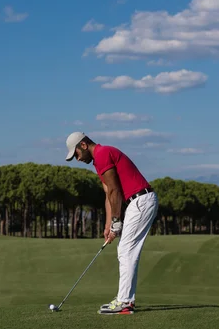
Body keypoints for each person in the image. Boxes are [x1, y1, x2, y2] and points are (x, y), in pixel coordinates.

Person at [65, 131, 159, 315]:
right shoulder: (99, 159)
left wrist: (117, 221)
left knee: (126, 250)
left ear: (83, 145)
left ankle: (125, 302)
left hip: (140, 200)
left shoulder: (102, 154)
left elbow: (116, 191)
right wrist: (109, 225)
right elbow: (109, 195)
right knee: (126, 250)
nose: (77, 159)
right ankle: (125, 300)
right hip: (137, 202)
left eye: (76, 154)